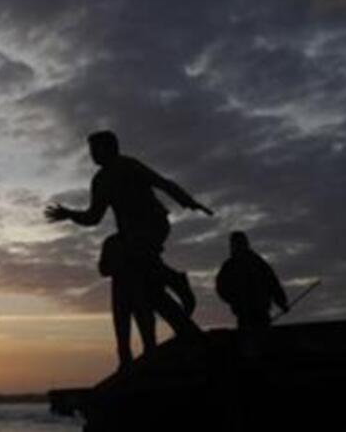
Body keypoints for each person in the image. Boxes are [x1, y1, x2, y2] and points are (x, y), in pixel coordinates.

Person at [46, 130, 211, 368]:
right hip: (129, 235)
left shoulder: (129, 166)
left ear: (110, 148)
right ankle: (147, 332)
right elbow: (94, 217)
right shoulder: (100, 180)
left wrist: (187, 201)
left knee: (137, 257)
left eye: (96, 149)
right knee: (136, 278)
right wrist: (70, 214)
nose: (92, 155)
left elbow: (162, 183)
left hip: (153, 225)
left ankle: (173, 279)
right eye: (90, 151)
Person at [215, 231, 288, 330]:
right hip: (245, 313)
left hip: (259, 311)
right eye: (237, 243)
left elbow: (272, 282)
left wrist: (281, 302)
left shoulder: (256, 263)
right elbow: (221, 288)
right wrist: (235, 300)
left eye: (240, 243)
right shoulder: (231, 266)